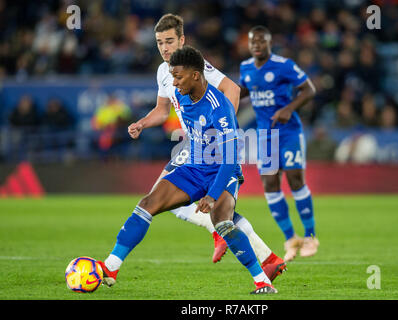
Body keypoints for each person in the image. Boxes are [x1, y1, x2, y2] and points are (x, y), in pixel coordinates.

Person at [104, 14, 285, 282]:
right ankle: (266, 257)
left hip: (207, 146)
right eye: (159, 43)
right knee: (171, 202)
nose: (164, 48)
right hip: (193, 144)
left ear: (182, 40)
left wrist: (222, 131)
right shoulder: (163, 72)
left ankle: (113, 265)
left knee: (163, 199)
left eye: (169, 41)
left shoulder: (196, 67)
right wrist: (142, 123)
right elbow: (163, 110)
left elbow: (232, 89)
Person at [239, 26, 319, 261]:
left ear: (269, 42)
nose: (256, 45)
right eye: (253, 41)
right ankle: (291, 238)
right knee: (270, 184)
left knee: (295, 179)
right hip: (266, 135)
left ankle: (311, 236)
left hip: (289, 132)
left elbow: (309, 90)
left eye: (261, 41)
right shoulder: (246, 67)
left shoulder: (283, 65)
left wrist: (288, 109)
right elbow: (244, 90)